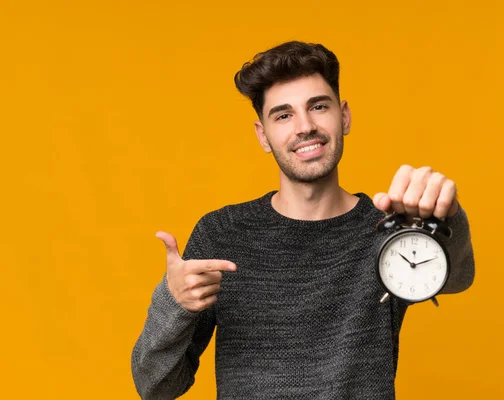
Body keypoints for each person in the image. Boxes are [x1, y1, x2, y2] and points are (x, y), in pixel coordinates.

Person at [131, 41, 475, 399]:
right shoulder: (222, 234)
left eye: (318, 106)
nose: (305, 127)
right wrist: (173, 302)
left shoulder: (387, 229)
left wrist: (446, 215)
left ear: (344, 117)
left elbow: (457, 277)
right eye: (283, 115)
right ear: (263, 135)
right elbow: (156, 387)